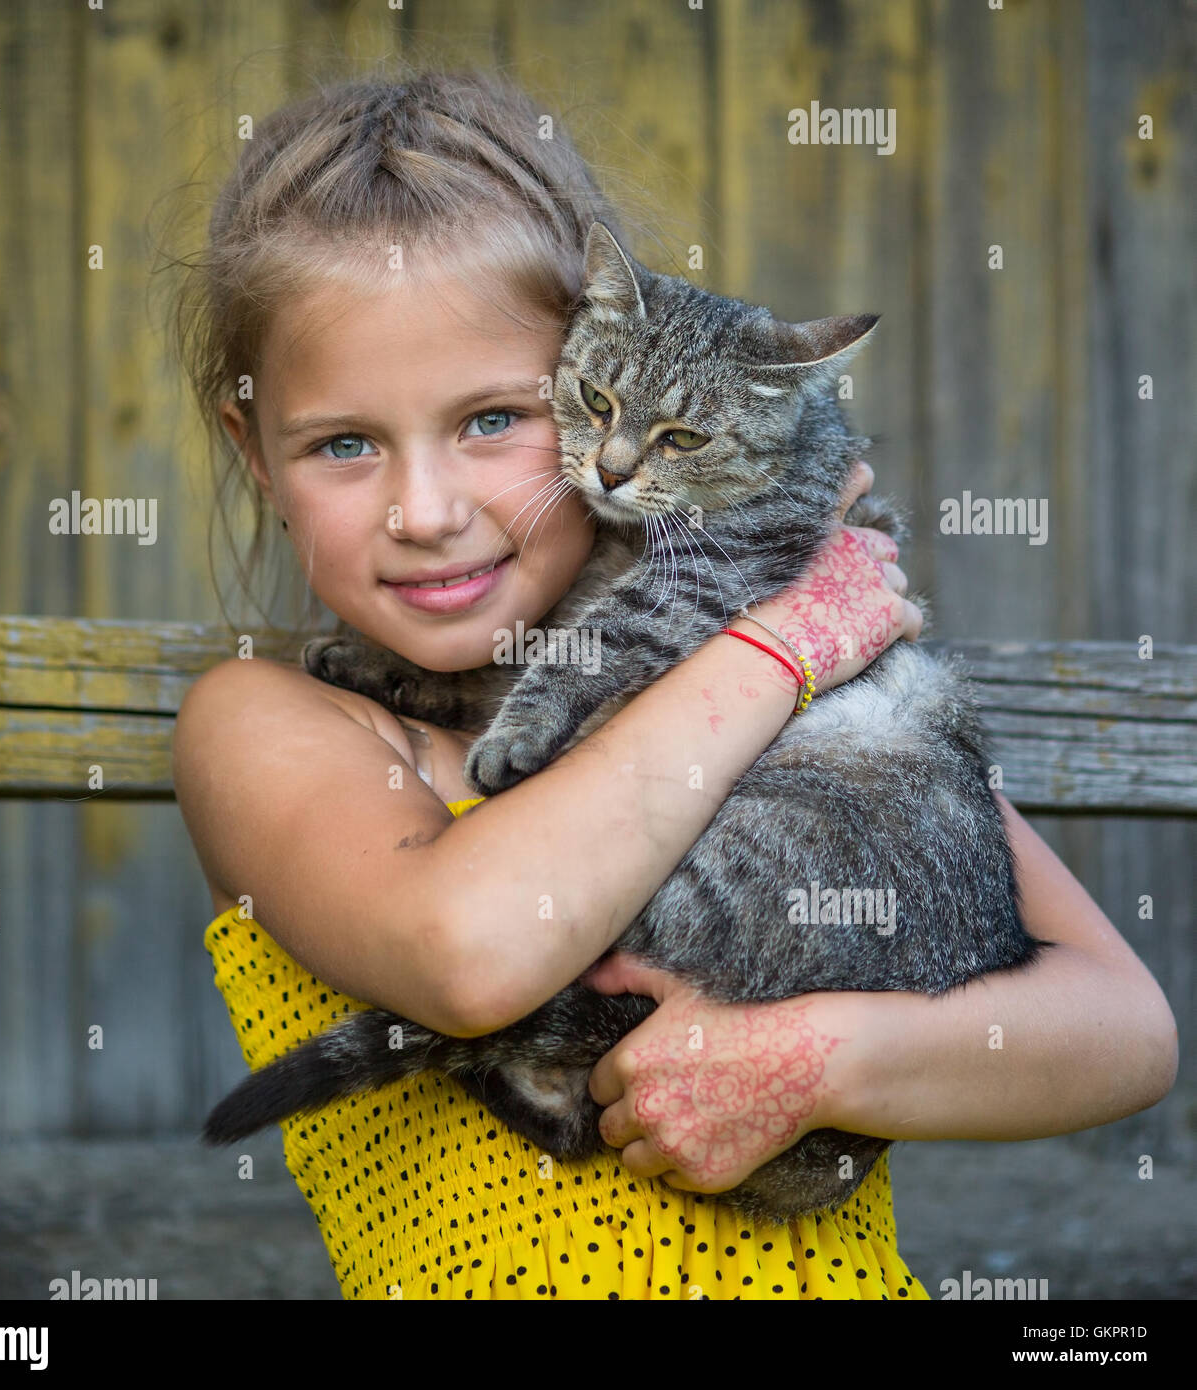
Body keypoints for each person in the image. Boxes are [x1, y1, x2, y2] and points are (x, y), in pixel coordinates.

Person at [168, 67, 1177, 1300]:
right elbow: (473, 957)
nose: (425, 512)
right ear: (252, 454)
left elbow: (1124, 1031)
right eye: (343, 442)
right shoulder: (269, 726)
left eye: (493, 418)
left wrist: (819, 1060)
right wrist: (777, 648)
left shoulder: (836, 737)